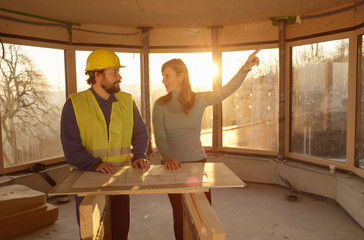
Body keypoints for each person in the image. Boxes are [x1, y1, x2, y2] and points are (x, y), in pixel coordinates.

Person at [152, 49, 260, 240]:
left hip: (197, 164)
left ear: (181, 76)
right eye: (162, 76)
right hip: (171, 167)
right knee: (179, 213)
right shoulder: (160, 104)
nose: (163, 80)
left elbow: (226, 90)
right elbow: (160, 137)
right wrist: (168, 158)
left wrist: (245, 68)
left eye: (167, 75)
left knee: (203, 213)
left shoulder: (199, 99)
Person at [60, 49, 150, 240]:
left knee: (119, 231)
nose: (119, 77)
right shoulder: (74, 104)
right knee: (92, 233)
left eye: (118, 71)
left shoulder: (127, 101)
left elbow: (140, 133)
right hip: (88, 180)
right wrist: (94, 163)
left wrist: (140, 155)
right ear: (97, 75)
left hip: (120, 180)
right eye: (113, 72)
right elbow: (71, 147)